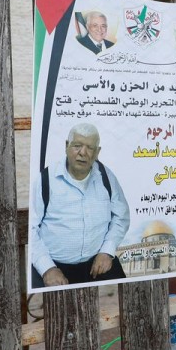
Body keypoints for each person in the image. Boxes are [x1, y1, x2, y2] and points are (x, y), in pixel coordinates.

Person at [30, 122, 130, 288]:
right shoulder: (44, 180)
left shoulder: (106, 177)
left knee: (126, 299)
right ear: (66, 146)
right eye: (77, 145)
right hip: (55, 267)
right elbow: (30, 229)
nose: (83, 153)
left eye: (90, 147)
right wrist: (47, 268)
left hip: (98, 264)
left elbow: (121, 217)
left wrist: (107, 251)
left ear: (97, 152)